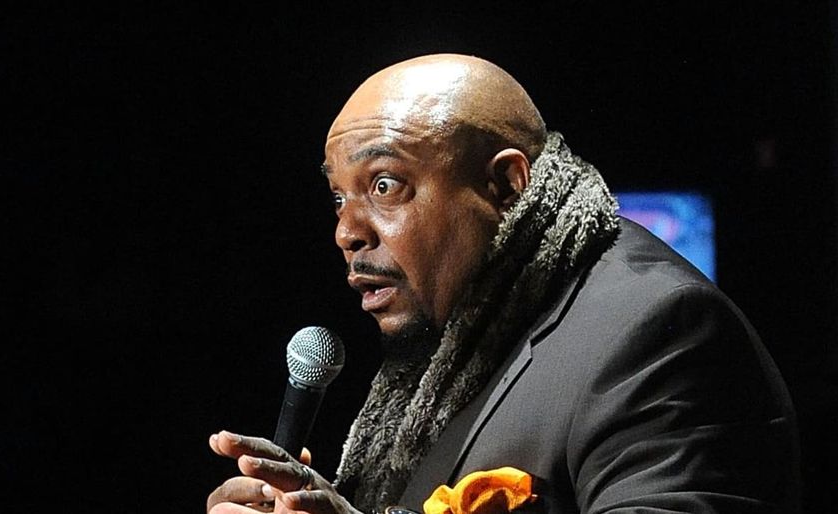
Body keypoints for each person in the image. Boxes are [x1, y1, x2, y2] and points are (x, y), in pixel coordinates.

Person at [207, 54, 800, 514]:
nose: (347, 232)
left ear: (507, 186)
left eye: (385, 185)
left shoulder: (660, 331)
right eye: (340, 197)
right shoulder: (455, 338)